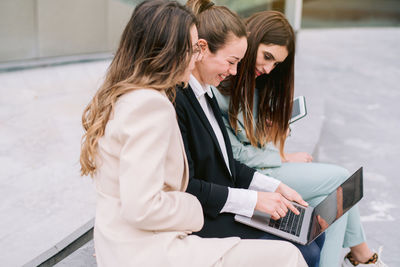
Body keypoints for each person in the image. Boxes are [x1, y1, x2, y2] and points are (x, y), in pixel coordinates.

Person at [79, 1, 306, 266]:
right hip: (148, 249)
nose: (197, 56)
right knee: (288, 255)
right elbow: (142, 207)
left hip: (136, 242)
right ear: (169, 51)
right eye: (192, 48)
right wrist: (193, 208)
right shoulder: (151, 105)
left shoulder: (131, 96)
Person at [212, 10, 387, 267]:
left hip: (262, 167)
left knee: (326, 204)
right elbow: (232, 152)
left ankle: (360, 257)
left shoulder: (255, 82)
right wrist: (280, 155)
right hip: (248, 177)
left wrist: (272, 136)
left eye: (276, 64)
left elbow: (252, 139)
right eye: (267, 57)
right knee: (340, 180)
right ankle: (362, 256)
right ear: (252, 39)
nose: (269, 68)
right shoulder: (221, 82)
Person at [175, 1, 322, 266]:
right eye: (231, 62)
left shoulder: (205, 93)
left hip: (224, 203)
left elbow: (228, 162)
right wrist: (254, 200)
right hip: (206, 216)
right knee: (307, 249)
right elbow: (188, 185)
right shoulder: (181, 100)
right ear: (202, 49)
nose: (234, 72)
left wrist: (275, 187)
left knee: (313, 233)